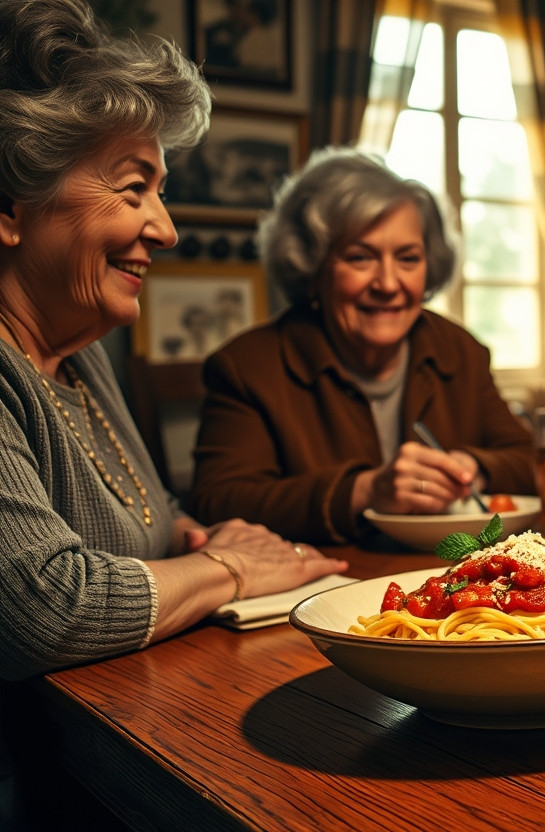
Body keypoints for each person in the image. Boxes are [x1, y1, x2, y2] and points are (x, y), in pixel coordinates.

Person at [0, 0, 347, 823]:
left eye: (162, 192)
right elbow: (42, 608)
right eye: (134, 190)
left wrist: (195, 535)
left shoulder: (82, 352)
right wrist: (230, 568)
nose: (166, 228)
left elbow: (144, 519)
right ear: (10, 208)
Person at [189, 147, 538, 545]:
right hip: (325, 575)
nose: (388, 284)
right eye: (360, 257)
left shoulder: (459, 349)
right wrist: (365, 490)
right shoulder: (246, 366)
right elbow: (217, 502)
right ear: (311, 268)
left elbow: (531, 461)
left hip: (442, 569)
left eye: (408, 258)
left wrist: (474, 468)